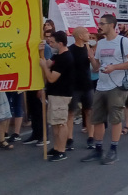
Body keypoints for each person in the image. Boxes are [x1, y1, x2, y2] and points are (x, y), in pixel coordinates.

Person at [81, 14, 128, 165]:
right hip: (101, 86)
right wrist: (92, 58)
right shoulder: (101, 43)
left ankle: (113, 149)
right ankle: (98, 149)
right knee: (97, 118)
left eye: (102, 23)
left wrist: (114, 67)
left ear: (112, 25)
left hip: (116, 87)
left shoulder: (123, 41)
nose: (99, 26)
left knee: (115, 119)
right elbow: (97, 68)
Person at [39, 31, 74, 162]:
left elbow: (52, 77)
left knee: (60, 123)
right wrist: (41, 53)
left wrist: (44, 68)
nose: (50, 43)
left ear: (60, 43)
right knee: (54, 122)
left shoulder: (65, 57)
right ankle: (56, 147)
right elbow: (49, 63)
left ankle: (61, 150)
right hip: (55, 94)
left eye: (52, 42)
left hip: (61, 94)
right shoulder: (58, 56)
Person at [66, 27, 95, 150]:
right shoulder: (70, 50)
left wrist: (92, 56)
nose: (89, 35)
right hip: (74, 86)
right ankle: (69, 139)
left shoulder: (88, 49)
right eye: (87, 33)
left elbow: (95, 66)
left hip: (87, 85)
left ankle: (91, 137)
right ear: (80, 36)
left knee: (89, 111)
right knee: (71, 113)